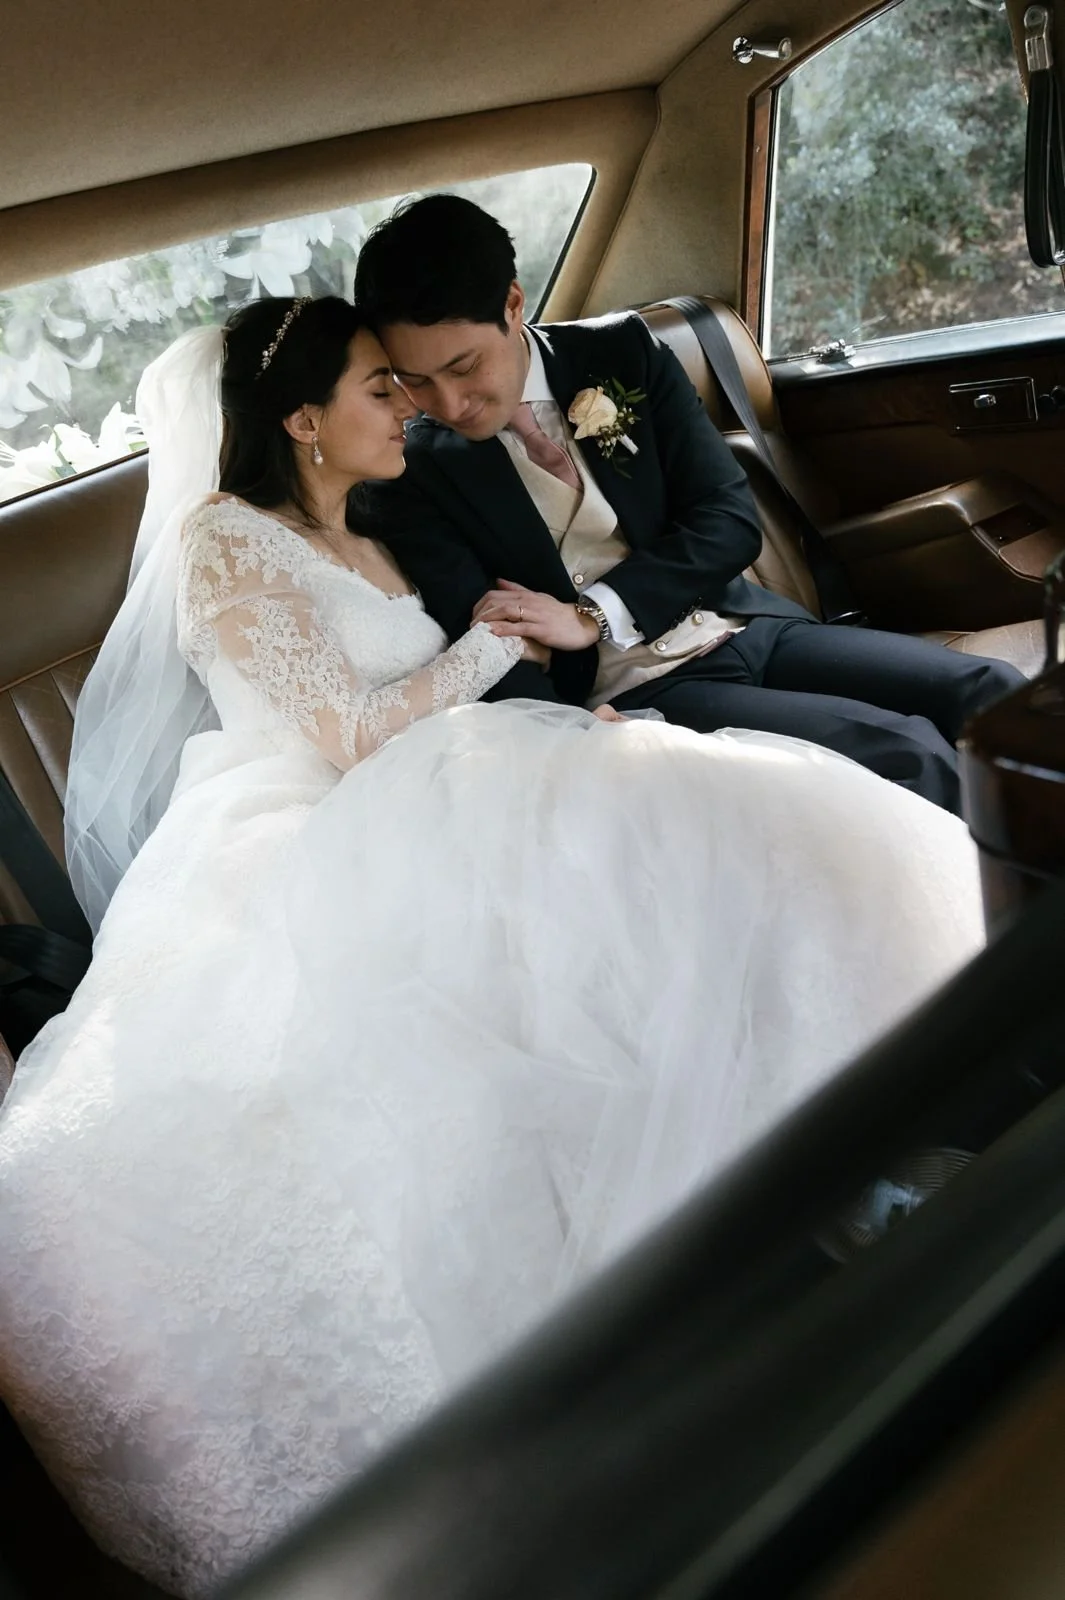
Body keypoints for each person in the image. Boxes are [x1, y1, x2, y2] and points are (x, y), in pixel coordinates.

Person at [0, 297, 982, 1599]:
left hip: (461, 765)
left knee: (747, 829)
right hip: (321, 815)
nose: (403, 401)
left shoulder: (388, 511)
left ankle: (879, 1143)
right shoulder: (223, 541)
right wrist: (489, 645)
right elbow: (346, 736)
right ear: (300, 420)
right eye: (372, 386)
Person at [353, 195, 1023, 814]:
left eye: (464, 368)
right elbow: (483, 644)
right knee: (905, 752)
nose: (446, 404)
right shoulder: (413, 471)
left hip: (743, 623)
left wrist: (593, 613)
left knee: (993, 692)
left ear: (512, 304)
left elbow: (727, 521)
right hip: (637, 691)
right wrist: (568, 743)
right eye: (416, 381)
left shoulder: (621, 355)